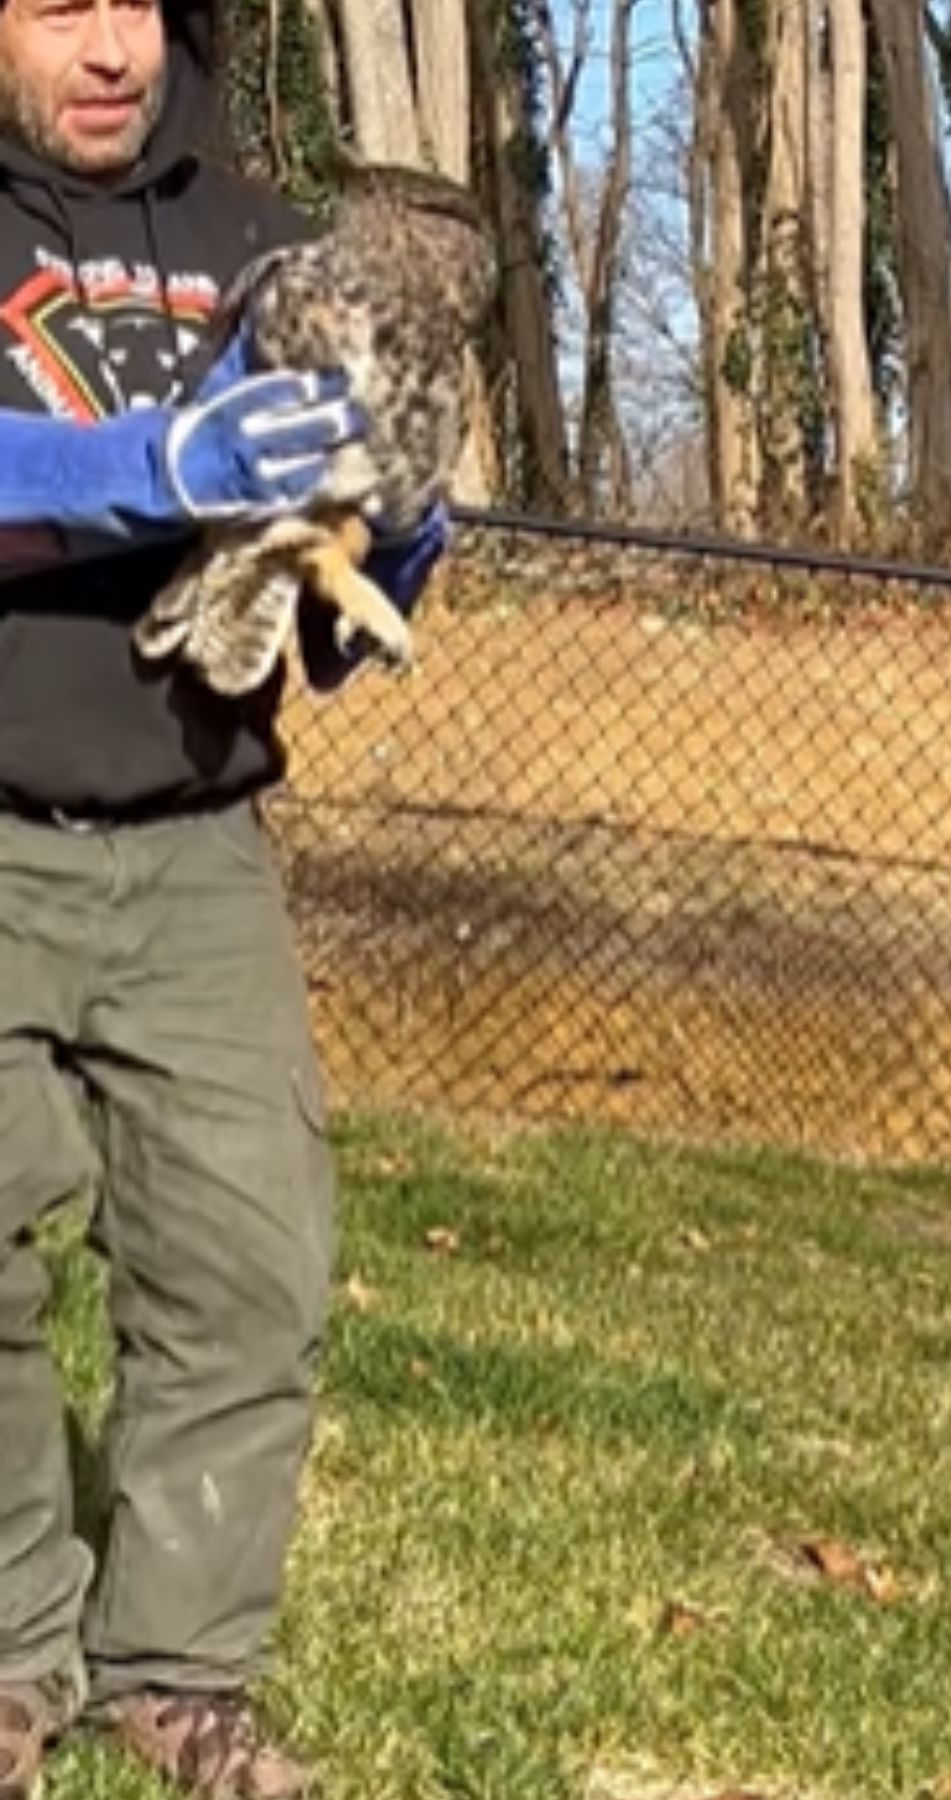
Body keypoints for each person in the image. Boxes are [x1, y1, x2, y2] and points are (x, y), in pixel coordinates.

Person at [0, 0, 449, 1792]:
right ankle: (10, 1655)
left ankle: (178, 1670)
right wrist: (136, 471)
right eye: (55, 6)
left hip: (196, 830)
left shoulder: (272, 244)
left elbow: (334, 614)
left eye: (132, 3)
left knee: (250, 1264)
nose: (105, 47)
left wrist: (389, 525)